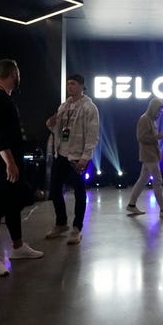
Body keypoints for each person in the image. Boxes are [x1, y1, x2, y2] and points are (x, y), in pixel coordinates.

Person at [0, 59, 43, 277]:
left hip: (9, 162)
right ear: (13, 74)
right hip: (1, 165)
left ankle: (18, 246)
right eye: (17, 72)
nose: (19, 76)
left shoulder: (4, 98)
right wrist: (10, 163)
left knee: (13, 205)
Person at [44, 73, 100, 245]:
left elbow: (92, 135)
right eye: (68, 84)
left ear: (82, 86)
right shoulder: (64, 106)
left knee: (79, 191)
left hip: (77, 156)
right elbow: (57, 129)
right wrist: (51, 123)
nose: (70, 87)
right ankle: (61, 223)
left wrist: (85, 157)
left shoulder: (89, 107)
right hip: (61, 153)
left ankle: (77, 228)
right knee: (54, 189)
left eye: (73, 84)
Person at [125, 97, 163, 219]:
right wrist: (158, 137)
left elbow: (147, 137)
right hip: (149, 155)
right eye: (159, 111)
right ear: (153, 108)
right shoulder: (144, 119)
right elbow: (141, 138)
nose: (159, 114)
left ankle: (131, 204)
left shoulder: (151, 120)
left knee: (143, 180)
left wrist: (158, 137)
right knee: (157, 181)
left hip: (151, 154)